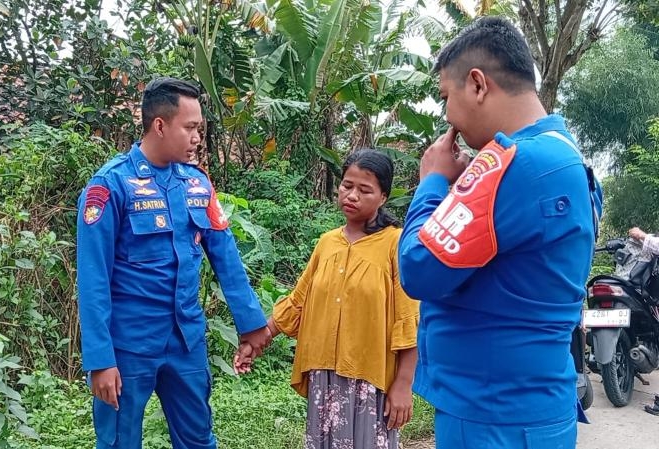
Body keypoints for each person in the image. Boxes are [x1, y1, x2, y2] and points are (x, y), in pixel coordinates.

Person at [397, 17, 598, 449]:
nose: (447, 115)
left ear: (477, 84)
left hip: (492, 416)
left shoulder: (514, 162)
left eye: (446, 97)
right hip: (531, 407)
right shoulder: (566, 158)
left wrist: (431, 182)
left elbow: (417, 268)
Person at [76, 77, 272, 449]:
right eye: (191, 128)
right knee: (119, 442)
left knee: (198, 439)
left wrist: (251, 324)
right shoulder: (110, 185)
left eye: (200, 128)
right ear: (160, 125)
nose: (198, 137)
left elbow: (226, 257)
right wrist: (100, 359)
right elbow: (92, 279)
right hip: (128, 346)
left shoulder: (197, 185)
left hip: (186, 342)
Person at [236, 149, 419, 448]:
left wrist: (403, 384)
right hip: (325, 377)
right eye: (347, 185)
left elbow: (407, 318)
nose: (352, 196)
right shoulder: (326, 243)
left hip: (370, 380)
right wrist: (260, 337)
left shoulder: (394, 244)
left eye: (365, 190)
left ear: (383, 197)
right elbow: (298, 301)